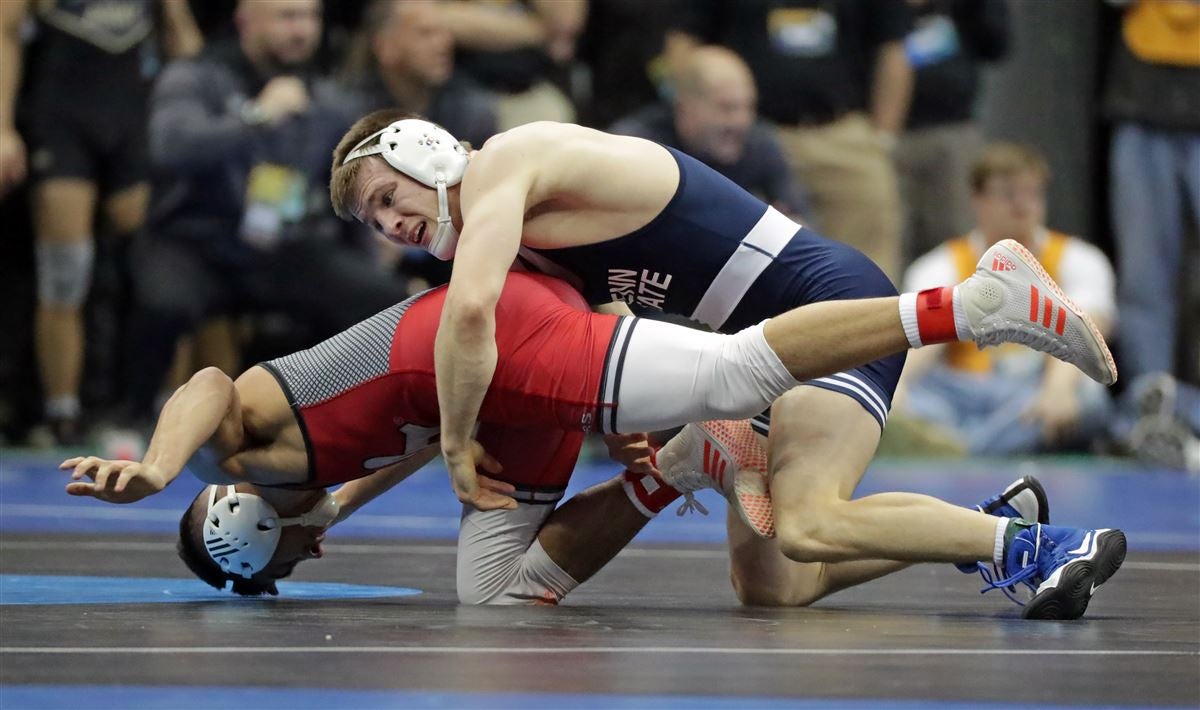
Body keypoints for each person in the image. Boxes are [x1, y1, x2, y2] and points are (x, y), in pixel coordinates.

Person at [331, 113, 1124, 619]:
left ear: (424, 150)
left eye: (386, 196)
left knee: (811, 524)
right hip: (758, 348)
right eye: (374, 220)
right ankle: (992, 523)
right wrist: (340, 503)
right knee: (774, 586)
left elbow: (470, 320)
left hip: (824, 303)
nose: (392, 224)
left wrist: (457, 443)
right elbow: (596, 337)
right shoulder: (528, 241)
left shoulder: (509, 162)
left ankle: (1045, 547)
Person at [63, 271, 1070, 615]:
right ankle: (691, 462)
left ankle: (961, 305)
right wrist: (376, 485)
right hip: (490, 388)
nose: (301, 558)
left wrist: (156, 465)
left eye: (274, 561)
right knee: (774, 581)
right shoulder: (313, 490)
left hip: (497, 350)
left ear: (245, 525)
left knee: (729, 373)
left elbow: (201, 384)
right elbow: (403, 434)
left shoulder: (244, 452)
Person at [122, 0, 409, 422]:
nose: (302, 30)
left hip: (280, 246)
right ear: (245, 19)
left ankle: (365, 419)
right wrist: (255, 117)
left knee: (381, 299)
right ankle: (129, 416)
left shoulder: (328, 99)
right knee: (164, 304)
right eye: (287, 16)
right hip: (195, 240)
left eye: (311, 17)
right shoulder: (195, 76)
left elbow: (351, 184)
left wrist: (375, 246)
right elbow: (170, 146)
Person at [0, 0, 202, 443]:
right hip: (62, 120)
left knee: (157, 270)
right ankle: (62, 412)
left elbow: (184, 41)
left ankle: (167, 403)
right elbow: (5, 34)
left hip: (133, 120)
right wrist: (2, 127)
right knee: (64, 272)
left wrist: (192, 119)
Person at [894, 143, 1115, 455]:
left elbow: (1086, 334)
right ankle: (993, 444)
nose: (1023, 206)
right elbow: (921, 336)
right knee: (899, 401)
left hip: (1030, 389)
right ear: (979, 200)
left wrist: (1057, 390)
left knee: (1089, 400)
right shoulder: (941, 263)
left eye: (1033, 194)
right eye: (1009, 194)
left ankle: (961, 451)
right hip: (959, 390)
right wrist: (898, 386)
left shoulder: (1078, 258)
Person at [610, 45, 807, 219]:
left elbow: (801, 223)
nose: (742, 121)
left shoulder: (761, 143)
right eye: (727, 108)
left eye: (749, 107)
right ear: (684, 109)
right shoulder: (637, 147)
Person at [894, 0, 1010, 266]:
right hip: (888, 133)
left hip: (953, 128)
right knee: (892, 239)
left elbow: (996, 44)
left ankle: (956, 307)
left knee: (957, 235)